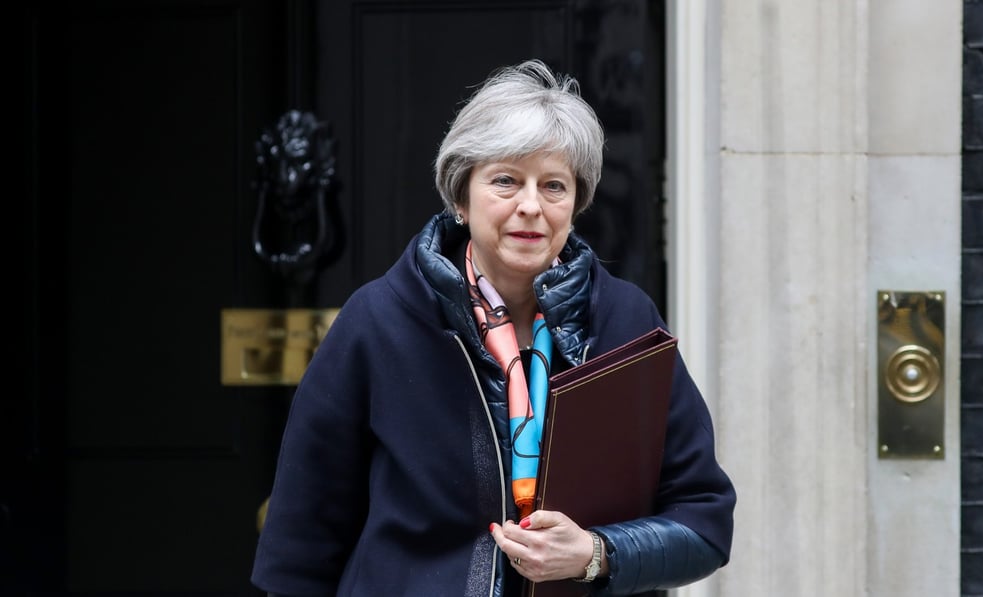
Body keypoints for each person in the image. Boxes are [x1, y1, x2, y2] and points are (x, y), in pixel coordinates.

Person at [251, 59, 735, 597]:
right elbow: (301, 544)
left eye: (554, 186)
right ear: (460, 198)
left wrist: (597, 554)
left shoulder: (626, 320)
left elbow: (704, 522)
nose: (531, 206)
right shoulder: (377, 321)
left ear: (576, 203)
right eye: (506, 181)